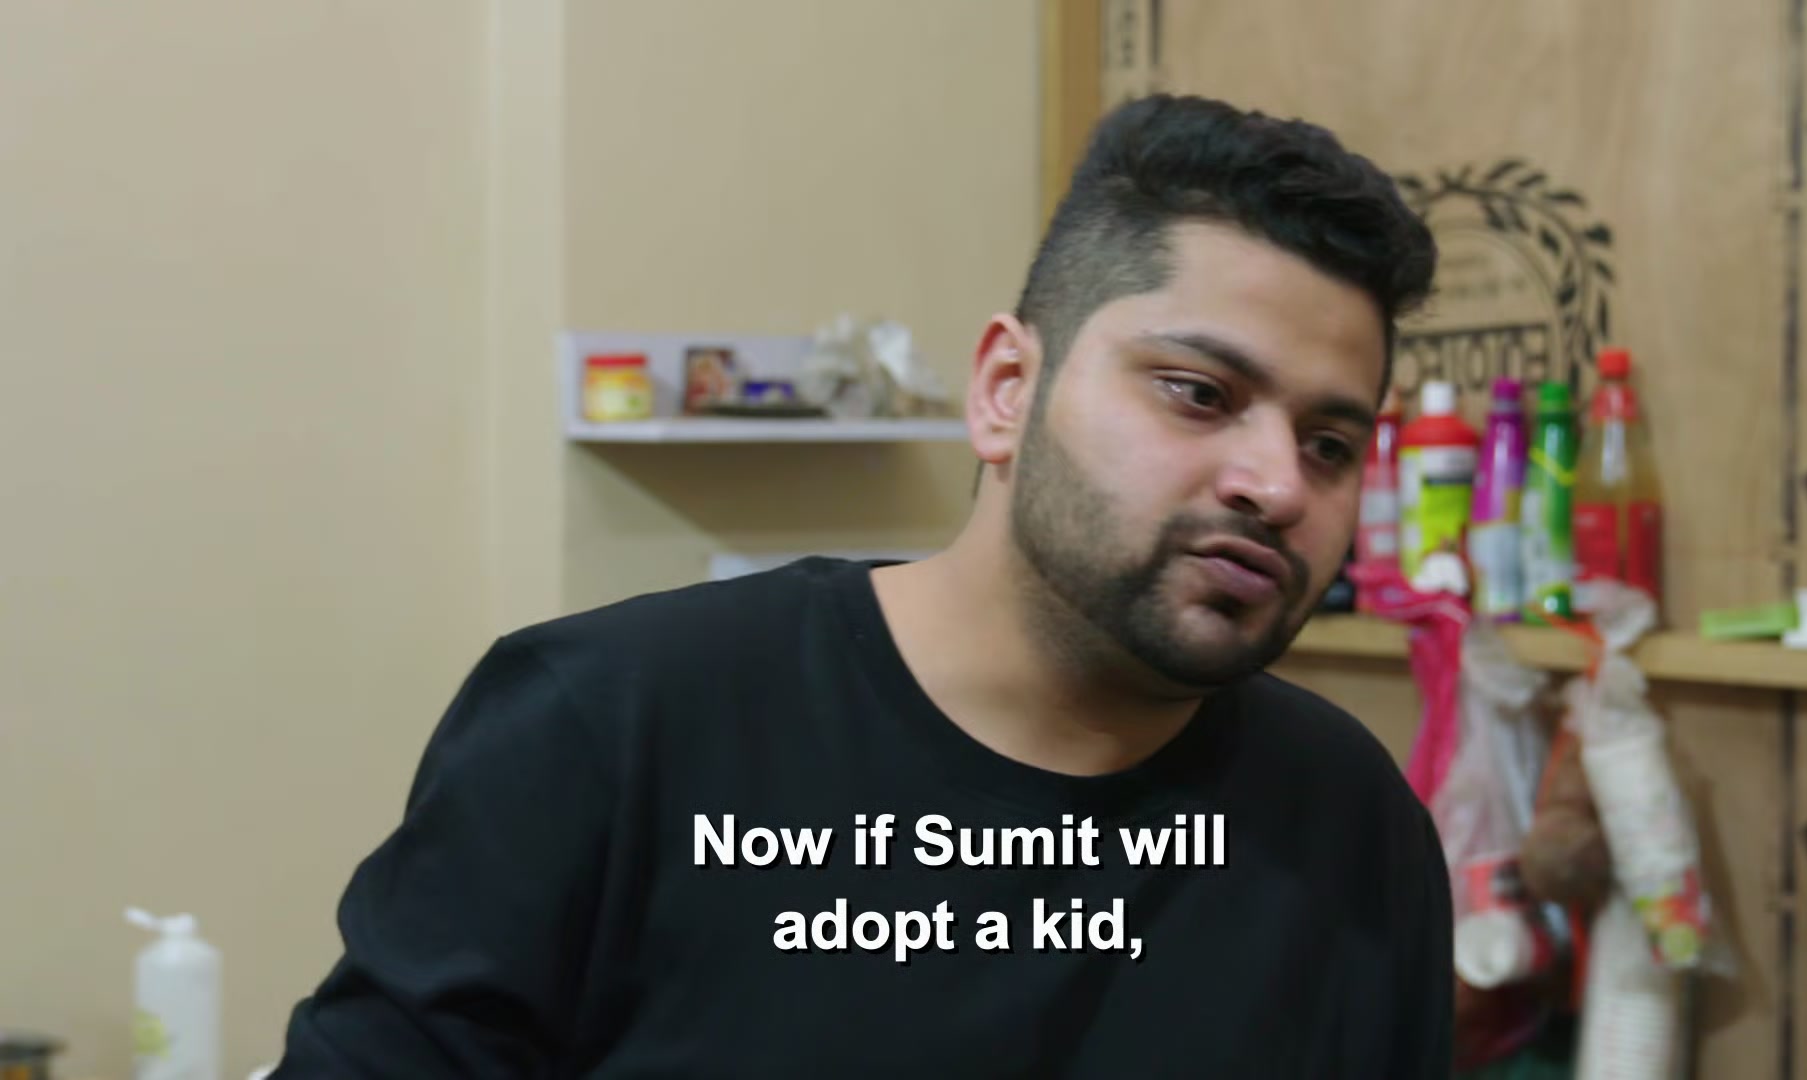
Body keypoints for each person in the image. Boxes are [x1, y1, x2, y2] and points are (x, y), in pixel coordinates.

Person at [271, 93, 1449, 1078]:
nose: (1276, 483)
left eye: (1330, 444)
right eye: (1198, 393)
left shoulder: (1352, 826)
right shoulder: (611, 728)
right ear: (1005, 391)